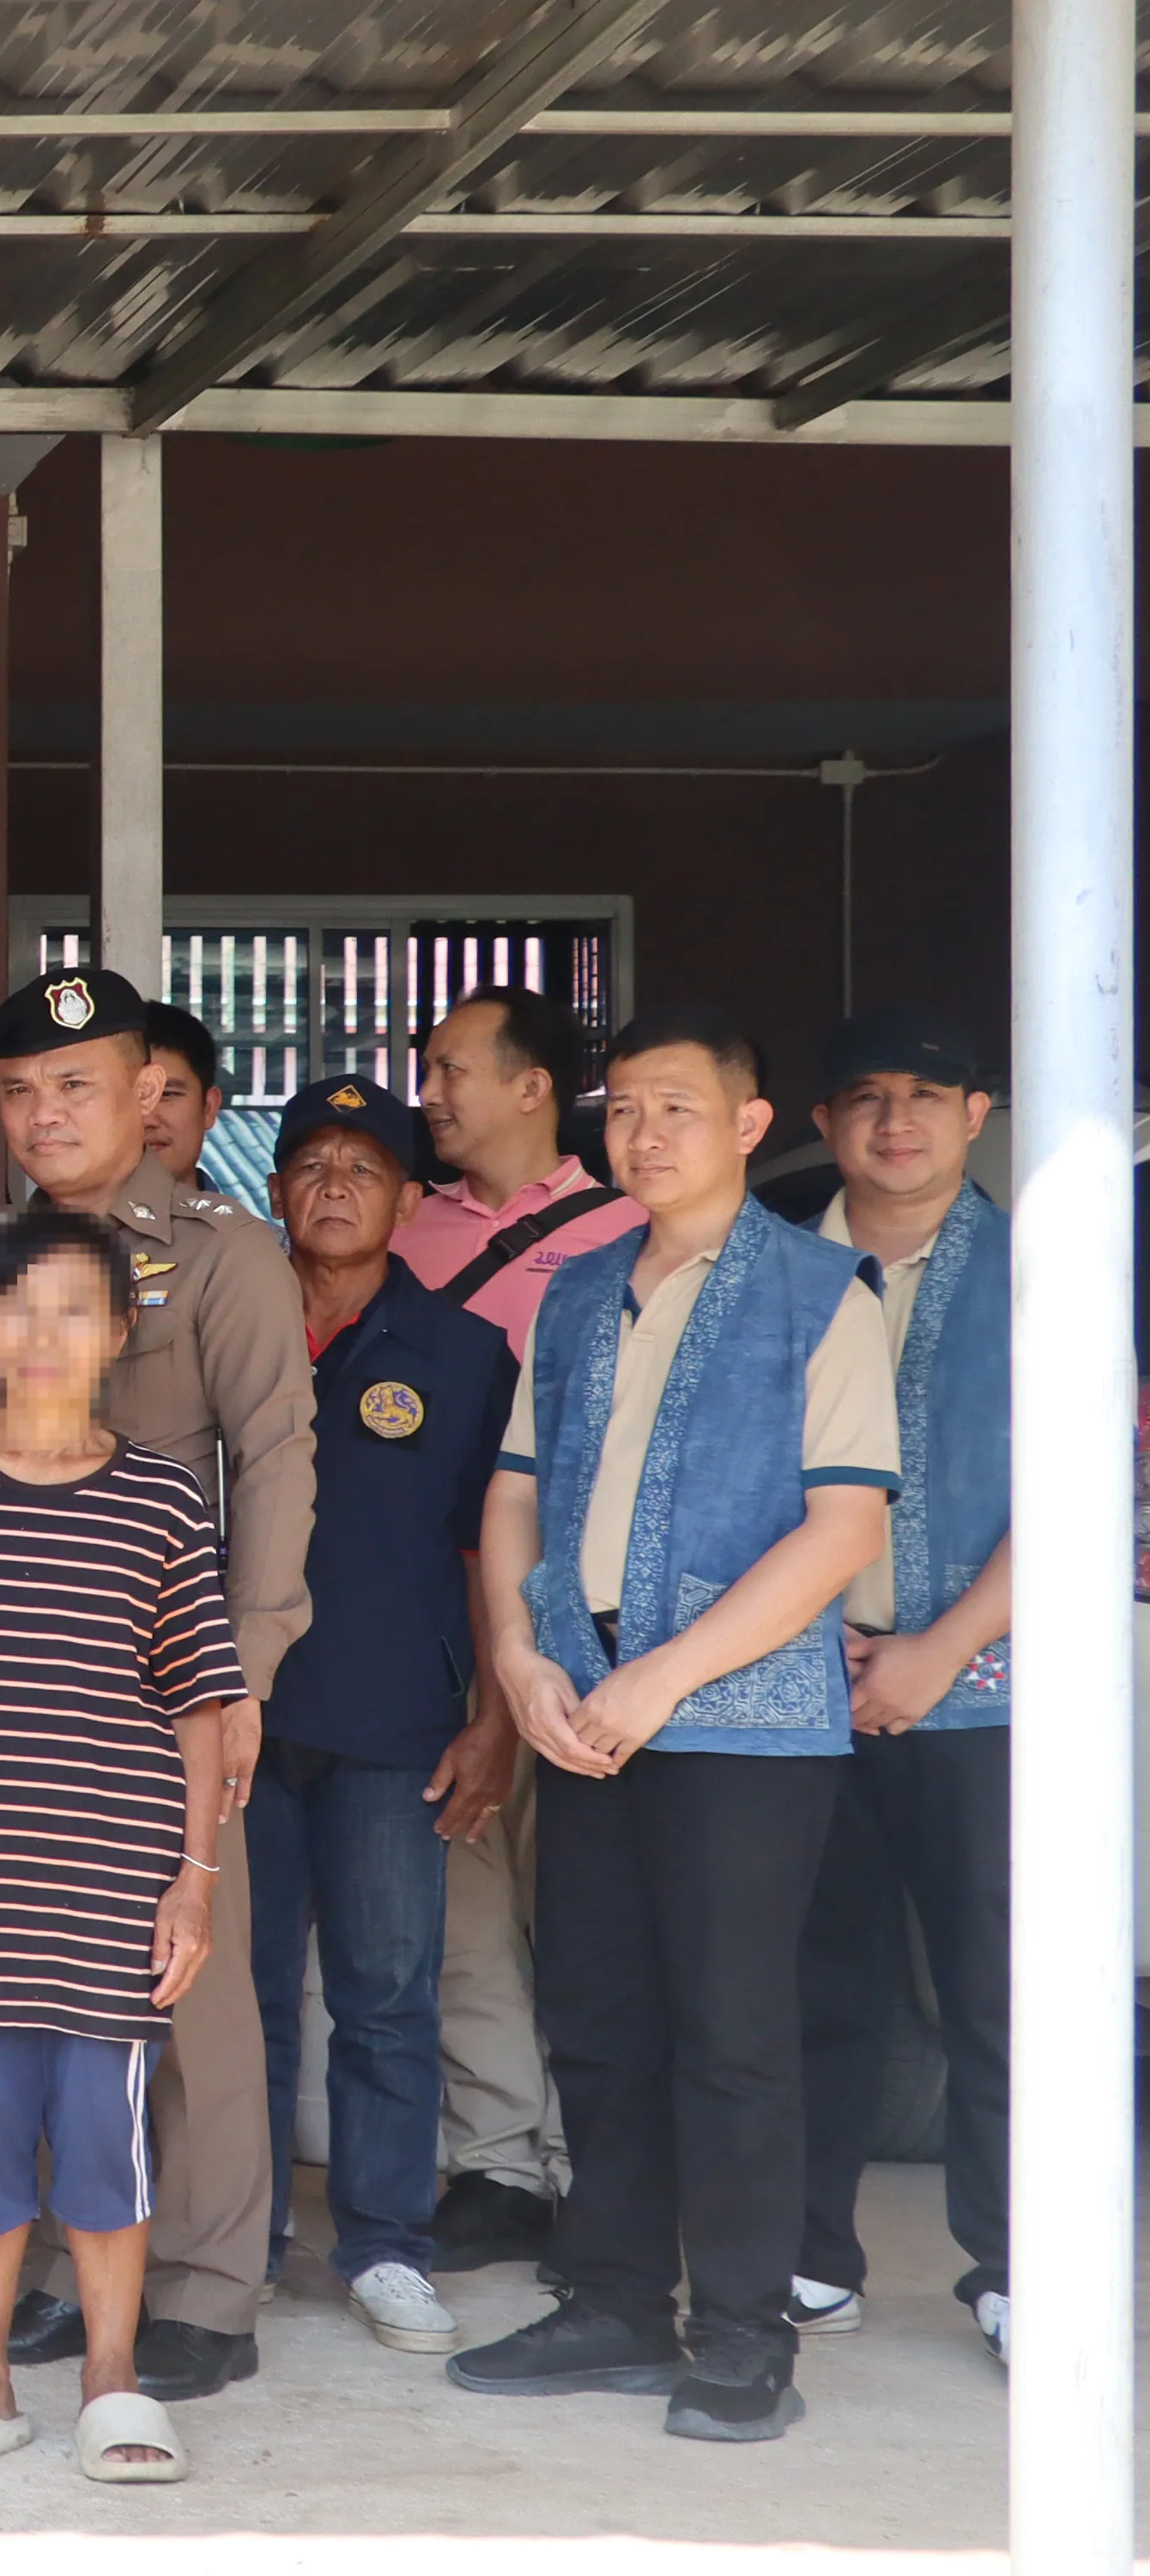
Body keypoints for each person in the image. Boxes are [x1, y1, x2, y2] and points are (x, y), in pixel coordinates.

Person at [451, 1012, 893, 2445]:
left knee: (734, 2037)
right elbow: (513, 1486)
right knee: (602, 2018)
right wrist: (519, 1655)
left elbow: (841, 1530)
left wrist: (666, 1677)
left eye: (678, 1109)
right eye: (625, 1109)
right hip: (583, 1705)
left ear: (753, 1124)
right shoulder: (578, 1292)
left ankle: (746, 2331)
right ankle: (619, 2301)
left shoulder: (825, 1291)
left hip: (743, 1725)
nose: (644, 1135)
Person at [0, 1210, 245, 2489]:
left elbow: (199, 1704)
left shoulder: (161, 1500)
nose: (44, 1335)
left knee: (102, 2150)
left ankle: (112, 2385)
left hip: (107, 1891)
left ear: (119, 1334)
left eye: (77, 1309)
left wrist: (194, 1882)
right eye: (20, 1307)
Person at [0, 964, 310, 2409]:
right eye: (23, 1093)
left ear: (142, 1097)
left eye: (78, 1086)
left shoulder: (223, 1255)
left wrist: (245, 1670)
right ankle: (60, 2268)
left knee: (191, 1993)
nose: (47, 1114)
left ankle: (210, 2289)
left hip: (170, 1684)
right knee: (36, 1984)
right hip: (18, 1688)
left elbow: (279, 1456)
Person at [255, 1078, 518, 2355]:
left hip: (394, 1725)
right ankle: (231, 2242)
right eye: (312, 1164)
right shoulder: (231, 1335)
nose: (337, 1186)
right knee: (233, 1999)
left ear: (413, 1201)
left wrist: (496, 1720)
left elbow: (496, 1554)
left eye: (367, 1167)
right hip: (236, 1722)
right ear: (275, 1192)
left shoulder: (464, 1355)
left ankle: (385, 2246)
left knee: (386, 1997)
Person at [395, 983, 641, 2274]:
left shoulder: (630, 1232)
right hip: (446, 1616)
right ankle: (500, 2165)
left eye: (450, 1068)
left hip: (607, 1637)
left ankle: (605, 2172)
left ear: (533, 1084)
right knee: (469, 1896)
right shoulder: (407, 1230)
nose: (429, 1091)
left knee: (598, 1912)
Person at [792, 1009, 1014, 2355]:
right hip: (799, 1684)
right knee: (817, 1977)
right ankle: (813, 2252)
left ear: (976, 1111)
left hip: (987, 1687)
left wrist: (936, 1651)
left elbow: (1097, 1485)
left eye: (927, 1095)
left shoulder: (1051, 1267)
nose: (896, 1123)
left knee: (1000, 1987)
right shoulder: (763, 1270)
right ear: (822, 1122)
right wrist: (818, 1645)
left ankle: (1012, 2267)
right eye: (865, 1096)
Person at [136, 1003, 227, 1201]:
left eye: (168, 1094)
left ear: (209, 1108)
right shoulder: (61, 1231)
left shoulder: (250, 1233)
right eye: (131, 1096)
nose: (148, 1119)